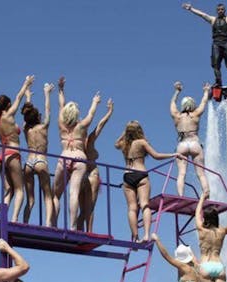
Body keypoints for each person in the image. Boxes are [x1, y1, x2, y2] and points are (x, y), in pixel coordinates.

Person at [114, 121, 183, 242]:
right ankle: (146, 235)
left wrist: (125, 132)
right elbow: (156, 155)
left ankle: (135, 237)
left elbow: (116, 144)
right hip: (140, 174)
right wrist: (173, 154)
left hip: (127, 175)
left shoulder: (124, 144)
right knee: (145, 205)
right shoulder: (141, 142)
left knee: (131, 208)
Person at [53, 77, 101, 230]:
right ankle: (73, 226)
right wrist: (95, 101)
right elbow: (91, 114)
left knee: (55, 194)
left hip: (64, 156)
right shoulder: (82, 125)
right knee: (73, 193)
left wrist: (61, 89)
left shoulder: (61, 122)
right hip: (80, 158)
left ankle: (53, 224)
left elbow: (60, 104)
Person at [0, 75, 35, 222]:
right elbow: (18, 97)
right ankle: (15, 218)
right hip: (13, 153)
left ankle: (2, 217)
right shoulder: (9, 115)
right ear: (7, 106)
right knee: (19, 190)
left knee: (8, 190)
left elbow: (0, 105)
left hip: (1, 156)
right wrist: (26, 84)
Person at [182, 0, 227, 86]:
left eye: (222, 9)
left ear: (224, 10)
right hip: (216, 44)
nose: (220, 11)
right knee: (215, 65)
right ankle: (218, 81)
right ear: (217, 11)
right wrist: (191, 9)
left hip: (226, 43)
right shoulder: (213, 20)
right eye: (219, 9)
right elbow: (202, 14)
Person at [126, 233, 201, 282]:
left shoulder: (185, 267)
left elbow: (167, 256)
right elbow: (192, 255)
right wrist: (188, 248)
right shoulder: (196, 266)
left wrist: (157, 240)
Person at [21, 83, 55, 226]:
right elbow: (48, 110)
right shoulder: (44, 127)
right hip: (41, 161)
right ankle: (48, 224)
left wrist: (28, 96)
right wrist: (47, 93)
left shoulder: (26, 129)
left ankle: (24, 223)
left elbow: (26, 113)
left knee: (30, 199)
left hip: (29, 163)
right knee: (47, 196)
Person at [78, 98, 113, 232]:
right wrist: (109, 111)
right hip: (92, 174)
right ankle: (89, 231)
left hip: (80, 175)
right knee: (90, 207)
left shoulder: (75, 142)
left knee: (82, 209)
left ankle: (78, 231)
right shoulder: (89, 140)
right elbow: (100, 124)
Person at [170, 81, 210, 197]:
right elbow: (204, 102)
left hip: (182, 144)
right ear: (193, 105)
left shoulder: (177, 116)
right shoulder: (196, 114)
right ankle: (206, 195)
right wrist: (206, 91)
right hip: (195, 144)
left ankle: (181, 196)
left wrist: (177, 91)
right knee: (201, 174)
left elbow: (172, 103)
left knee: (181, 173)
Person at [195, 191, 227, 282]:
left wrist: (202, 198)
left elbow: (197, 214)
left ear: (205, 218)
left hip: (205, 265)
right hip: (218, 265)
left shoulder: (202, 230)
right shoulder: (222, 231)